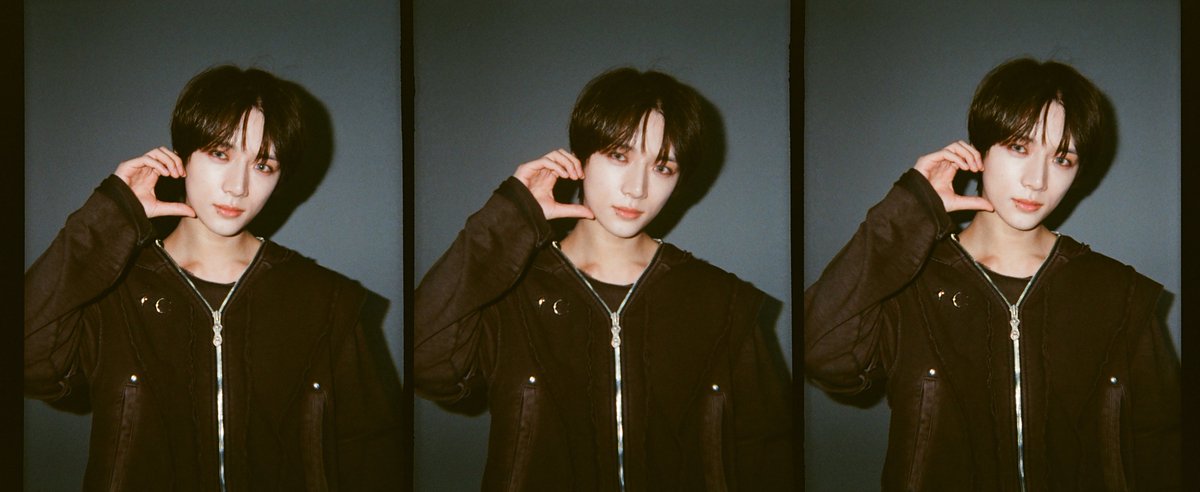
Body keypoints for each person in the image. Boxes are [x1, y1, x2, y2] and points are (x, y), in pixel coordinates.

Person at [804, 57, 1180, 490]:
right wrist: (911, 209)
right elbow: (821, 354)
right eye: (1019, 147)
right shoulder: (911, 284)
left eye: (1062, 159)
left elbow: (1163, 449)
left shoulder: (1120, 294)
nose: (1037, 180)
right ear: (980, 150)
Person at [23, 65, 402, 490]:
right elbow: (29, 364)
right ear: (182, 156)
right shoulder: (114, 290)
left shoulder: (326, 301)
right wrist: (111, 215)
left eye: (263, 165)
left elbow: (370, 457)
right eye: (220, 154)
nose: (238, 186)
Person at [414, 67, 792, 490]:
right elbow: (427, 364)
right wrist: (510, 218)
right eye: (619, 156)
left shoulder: (723, 303)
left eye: (662, 167)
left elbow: (768, 456)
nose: (637, 188)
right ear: (580, 158)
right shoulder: (511, 291)